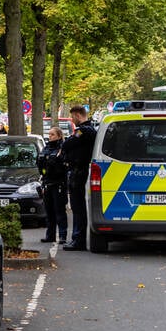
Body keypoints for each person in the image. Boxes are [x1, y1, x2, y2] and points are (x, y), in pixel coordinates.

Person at [60, 104, 97, 250]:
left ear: (77, 115)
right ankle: (77, 238)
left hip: (78, 171)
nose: (72, 119)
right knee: (77, 206)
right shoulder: (86, 130)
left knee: (78, 207)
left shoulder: (84, 130)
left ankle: (78, 239)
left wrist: (65, 146)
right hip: (77, 170)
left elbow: (68, 143)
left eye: (72, 116)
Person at [37, 126, 68, 243]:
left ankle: (62, 236)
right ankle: (50, 235)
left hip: (58, 184)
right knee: (49, 211)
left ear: (59, 136)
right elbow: (40, 164)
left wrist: (53, 161)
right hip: (47, 183)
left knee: (59, 210)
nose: (50, 137)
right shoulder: (46, 148)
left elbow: (63, 166)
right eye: (49, 134)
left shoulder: (62, 148)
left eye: (52, 135)